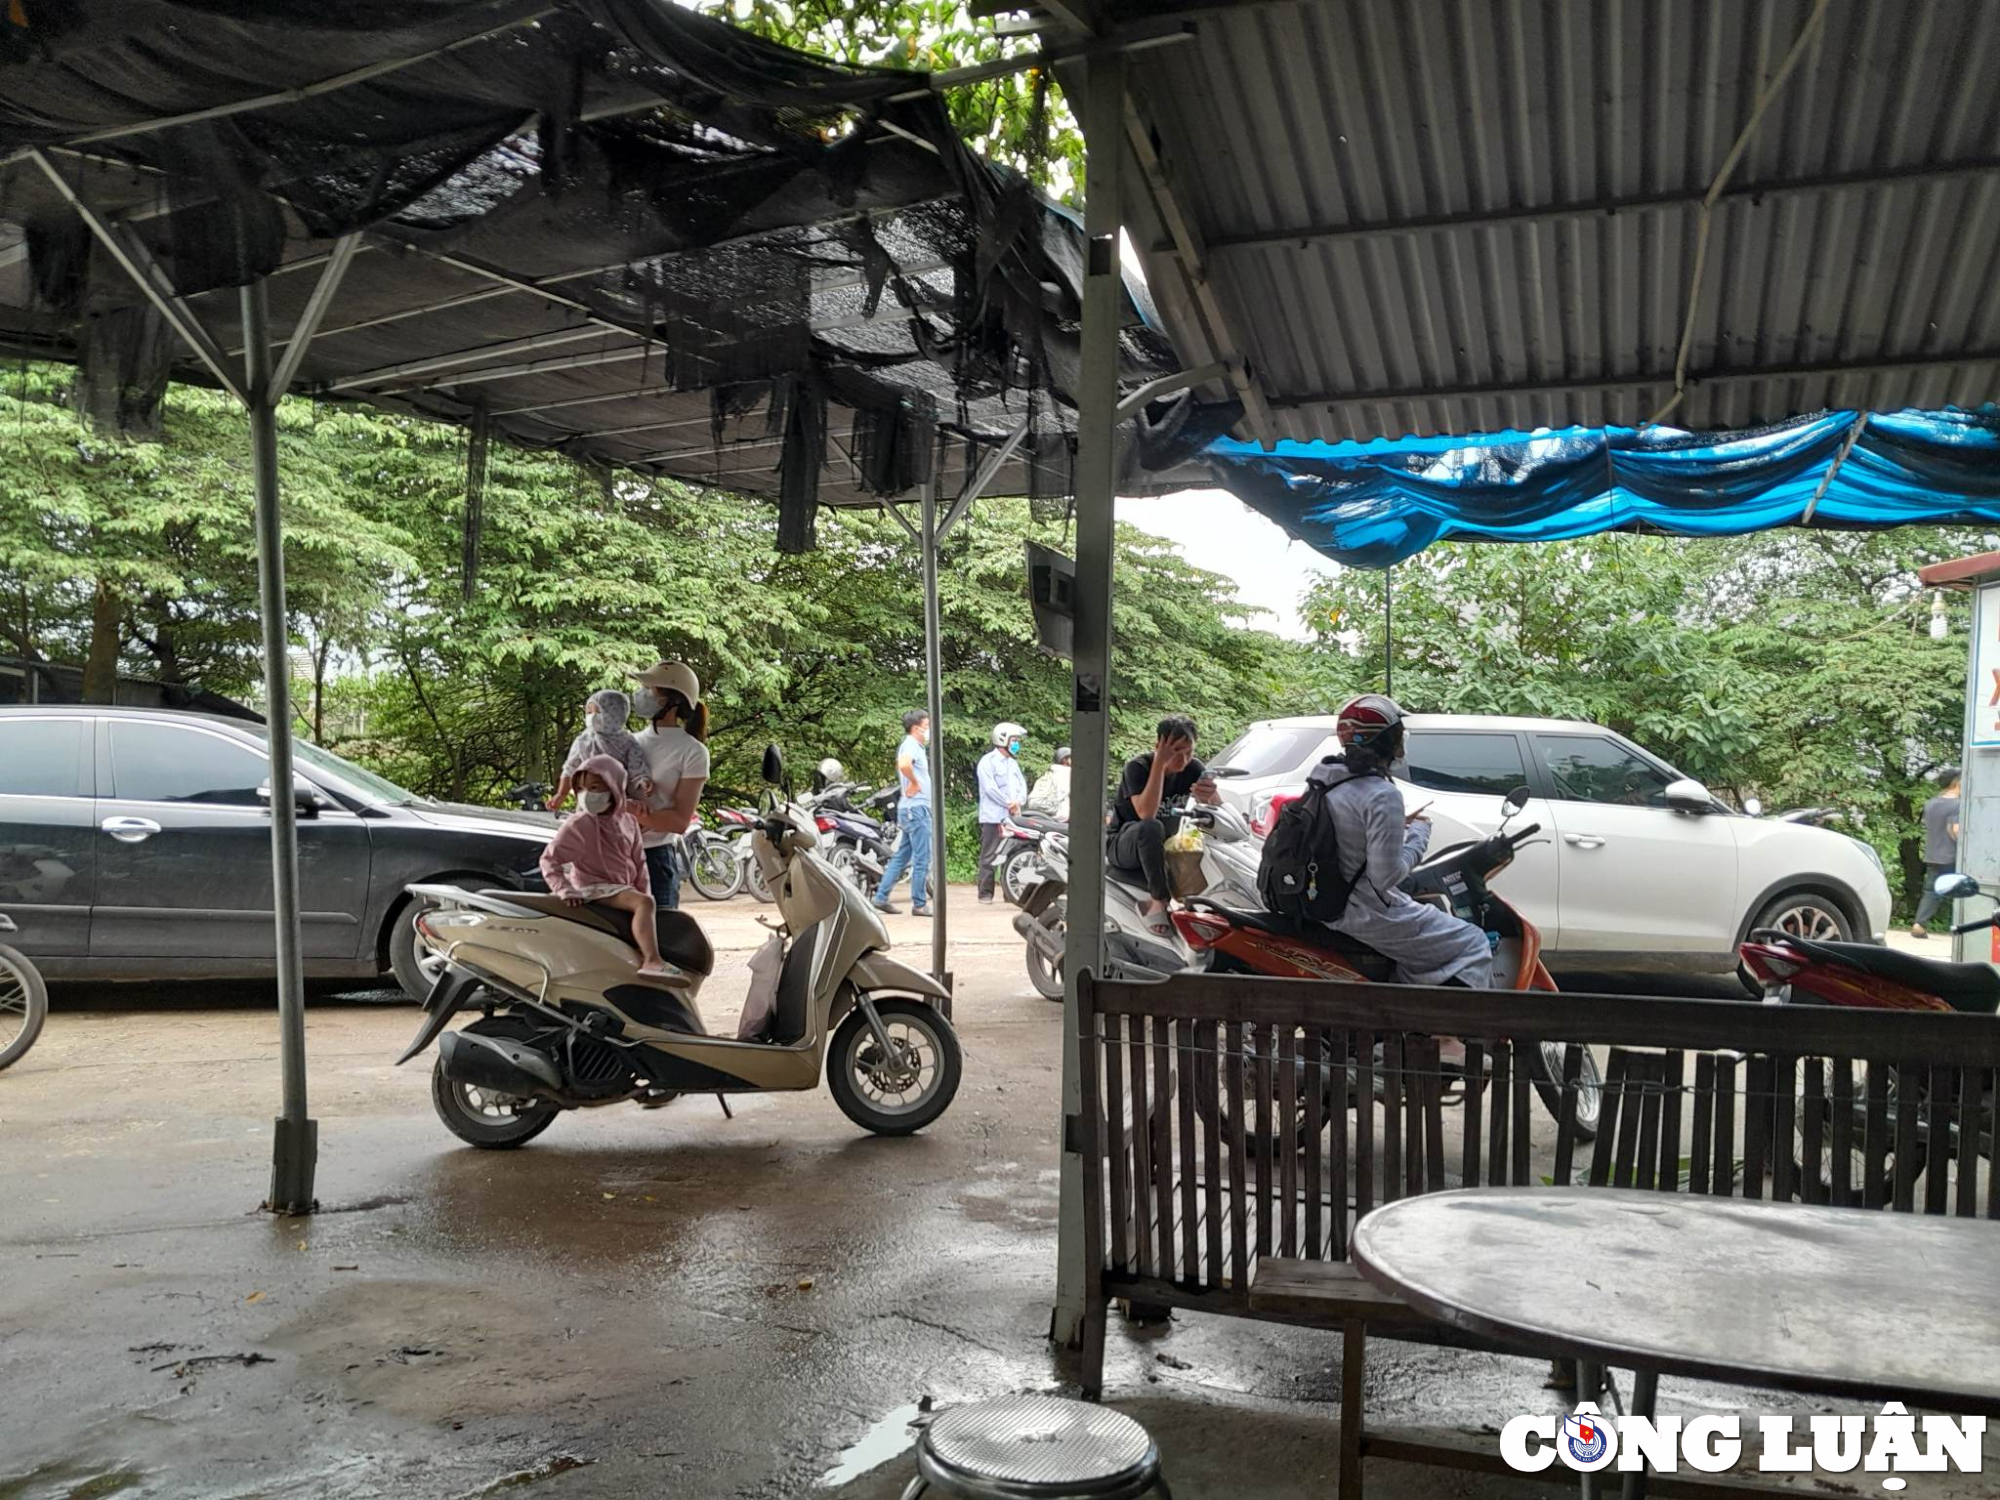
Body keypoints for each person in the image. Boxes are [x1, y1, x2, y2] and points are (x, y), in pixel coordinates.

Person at [1313, 694, 1492, 988]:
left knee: (1423, 943)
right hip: (1364, 910)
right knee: (1471, 940)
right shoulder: (1382, 794)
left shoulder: (1326, 780)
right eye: (1398, 736)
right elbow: (1386, 876)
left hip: (1326, 904)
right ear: (1386, 742)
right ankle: (1447, 1033)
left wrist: (1396, 826)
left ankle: (1413, 1026)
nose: (1402, 744)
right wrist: (1419, 835)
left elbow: (1349, 833)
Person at [537, 755, 667, 975]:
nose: (586, 795)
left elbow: (639, 863)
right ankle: (652, 960)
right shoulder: (579, 823)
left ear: (614, 786)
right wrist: (565, 889)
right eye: (580, 789)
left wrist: (641, 891)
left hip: (621, 889)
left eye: (595, 787)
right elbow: (549, 860)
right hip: (592, 888)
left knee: (647, 904)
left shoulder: (628, 821)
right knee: (644, 904)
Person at [1109, 716, 1220, 934]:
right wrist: (1160, 764)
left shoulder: (1192, 768)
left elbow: (1217, 809)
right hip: (1123, 843)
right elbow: (1146, 813)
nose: (1183, 759)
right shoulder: (1138, 767)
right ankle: (1158, 900)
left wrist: (1210, 795)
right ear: (1158, 747)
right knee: (1152, 826)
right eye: (1176, 752)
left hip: (1164, 849)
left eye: (1189, 752)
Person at [626, 660, 711, 912]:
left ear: (672, 700)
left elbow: (678, 821)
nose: (641, 694)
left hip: (655, 859)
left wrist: (627, 812)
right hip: (615, 855)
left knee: (658, 942)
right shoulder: (627, 741)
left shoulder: (693, 752)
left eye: (650, 688)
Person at [873, 709, 934, 916]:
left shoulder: (913, 745)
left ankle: (881, 897)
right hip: (917, 809)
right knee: (922, 857)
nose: (929, 731)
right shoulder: (911, 745)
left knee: (901, 857)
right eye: (927, 727)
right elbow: (904, 764)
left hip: (909, 809)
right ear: (917, 728)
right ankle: (919, 903)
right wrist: (915, 782)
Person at [546, 688, 650, 810]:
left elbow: (636, 768)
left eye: (599, 712)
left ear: (615, 714)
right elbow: (570, 768)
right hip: (586, 797)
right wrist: (561, 794)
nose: (592, 717)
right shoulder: (583, 740)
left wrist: (643, 781)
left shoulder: (628, 742)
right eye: (589, 712)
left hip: (615, 799)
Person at [976, 721, 1029, 903]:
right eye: (1014, 740)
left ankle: (1009, 893)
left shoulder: (1012, 764)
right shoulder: (987, 762)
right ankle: (985, 893)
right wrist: (1008, 803)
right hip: (993, 817)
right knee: (989, 855)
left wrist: (1018, 802)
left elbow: (1022, 786)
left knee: (1013, 853)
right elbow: (989, 788)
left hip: (1012, 818)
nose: (1016, 744)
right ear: (1003, 739)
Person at [1911, 767, 1963, 938]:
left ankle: (1919, 923)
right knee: (1962, 890)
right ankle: (1960, 928)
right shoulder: (1957, 805)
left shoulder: (1930, 803)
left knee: (1931, 891)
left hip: (1933, 854)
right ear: (1956, 782)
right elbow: (1955, 830)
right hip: (1952, 855)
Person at [1026, 745, 1072, 821]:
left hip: (1041, 809)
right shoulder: (1066, 772)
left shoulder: (1050, 772)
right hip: (1059, 814)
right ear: (1065, 759)